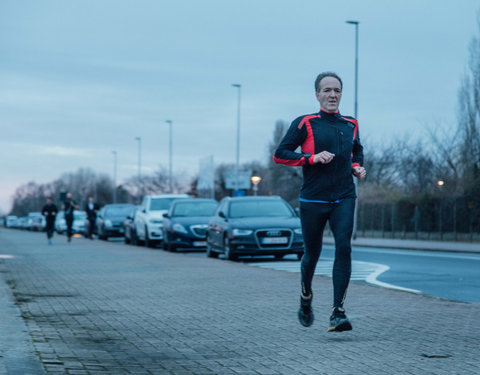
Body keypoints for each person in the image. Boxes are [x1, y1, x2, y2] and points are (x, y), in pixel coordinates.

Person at [273, 72, 366, 332]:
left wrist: (357, 167)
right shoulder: (305, 122)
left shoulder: (351, 124)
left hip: (344, 196)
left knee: (343, 248)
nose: (332, 95)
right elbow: (280, 154)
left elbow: (356, 150)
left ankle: (338, 312)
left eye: (336, 90)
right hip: (313, 199)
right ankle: (306, 298)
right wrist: (310, 158)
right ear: (317, 95)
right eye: (327, 90)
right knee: (312, 254)